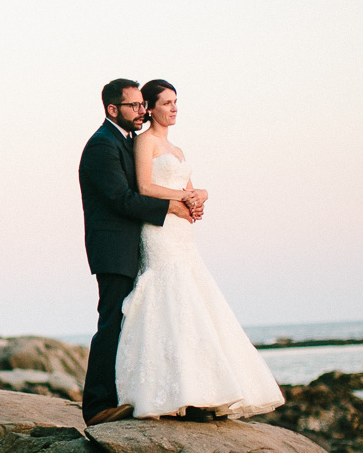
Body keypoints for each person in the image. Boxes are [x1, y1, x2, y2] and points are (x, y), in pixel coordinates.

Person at [114, 79, 285, 421]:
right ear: (150, 108)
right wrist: (182, 199)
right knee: (170, 298)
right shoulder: (144, 142)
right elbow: (146, 186)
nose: (174, 108)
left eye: (176, 102)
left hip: (182, 232)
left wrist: (198, 196)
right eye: (167, 102)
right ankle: (177, 393)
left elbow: (190, 187)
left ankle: (204, 389)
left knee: (194, 299)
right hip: (160, 231)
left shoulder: (177, 151)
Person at [77, 79, 198, 425]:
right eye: (134, 106)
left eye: (142, 105)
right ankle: (97, 407)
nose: (141, 111)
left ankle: (127, 396)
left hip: (134, 247)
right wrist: (171, 208)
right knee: (112, 322)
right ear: (112, 109)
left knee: (131, 323)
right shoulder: (103, 145)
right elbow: (120, 199)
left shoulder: (126, 142)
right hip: (113, 249)